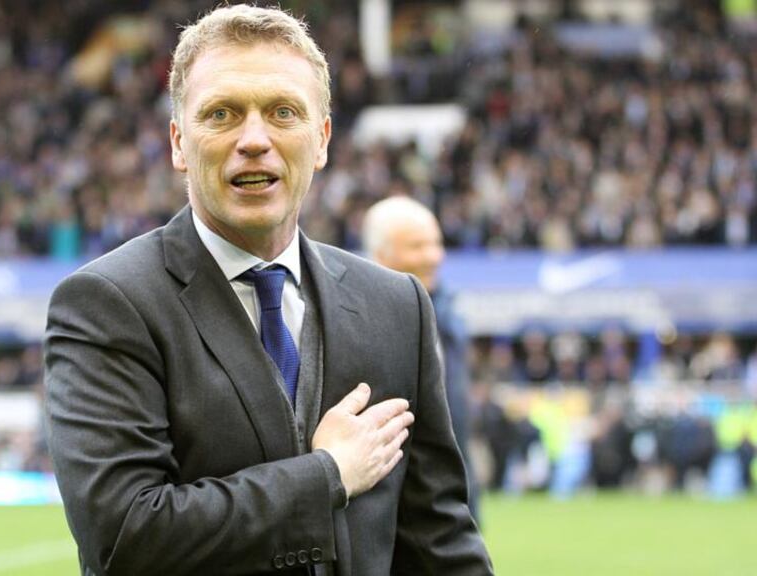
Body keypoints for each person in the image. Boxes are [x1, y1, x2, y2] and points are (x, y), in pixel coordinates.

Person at [45, 6, 492, 576]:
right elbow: (124, 537)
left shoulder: (397, 306)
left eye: (283, 112)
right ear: (180, 143)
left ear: (322, 138)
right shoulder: (106, 304)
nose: (254, 139)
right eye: (222, 113)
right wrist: (327, 475)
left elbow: (440, 543)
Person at [362, 195, 481, 522]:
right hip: (395, 503)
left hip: (454, 487)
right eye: (417, 246)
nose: (432, 256)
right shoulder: (357, 321)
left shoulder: (448, 315)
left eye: (436, 243)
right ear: (381, 255)